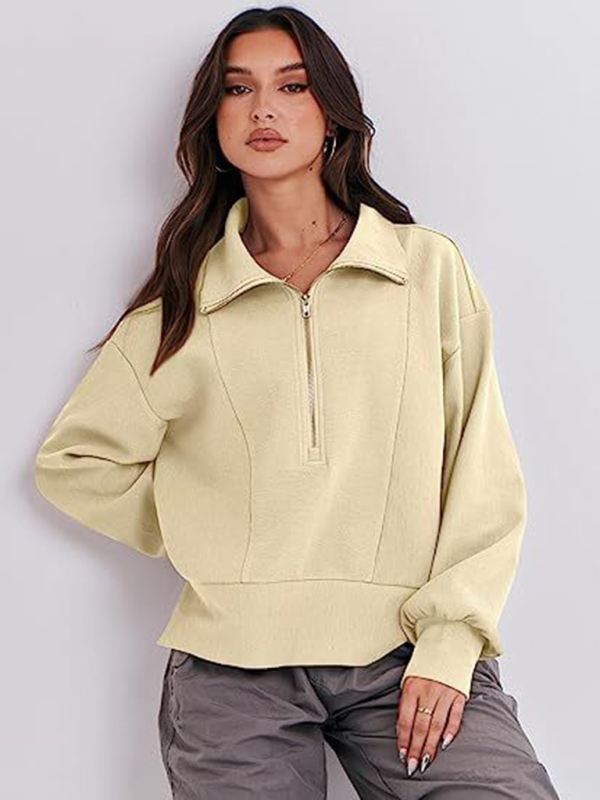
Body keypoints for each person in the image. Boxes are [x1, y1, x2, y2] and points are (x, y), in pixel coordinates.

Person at [33, 6, 561, 799]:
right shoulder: (184, 308)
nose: (263, 110)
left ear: (333, 115)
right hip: (230, 668)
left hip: (407, 650)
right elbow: (74, 463)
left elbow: (480, 471)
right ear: (213, 120)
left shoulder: (424, 271)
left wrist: (451, 642)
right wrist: (210, 526)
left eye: (292, 86)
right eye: (237, 89)